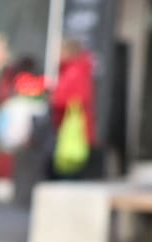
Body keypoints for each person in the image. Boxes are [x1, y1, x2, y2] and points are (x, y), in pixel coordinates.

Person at [49, 38, 98, 179]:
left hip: (70, 127)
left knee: (69, 173)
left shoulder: (74, 71)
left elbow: (70, 99)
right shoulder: (75, 69)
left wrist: (54, 98)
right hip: (70, 126)